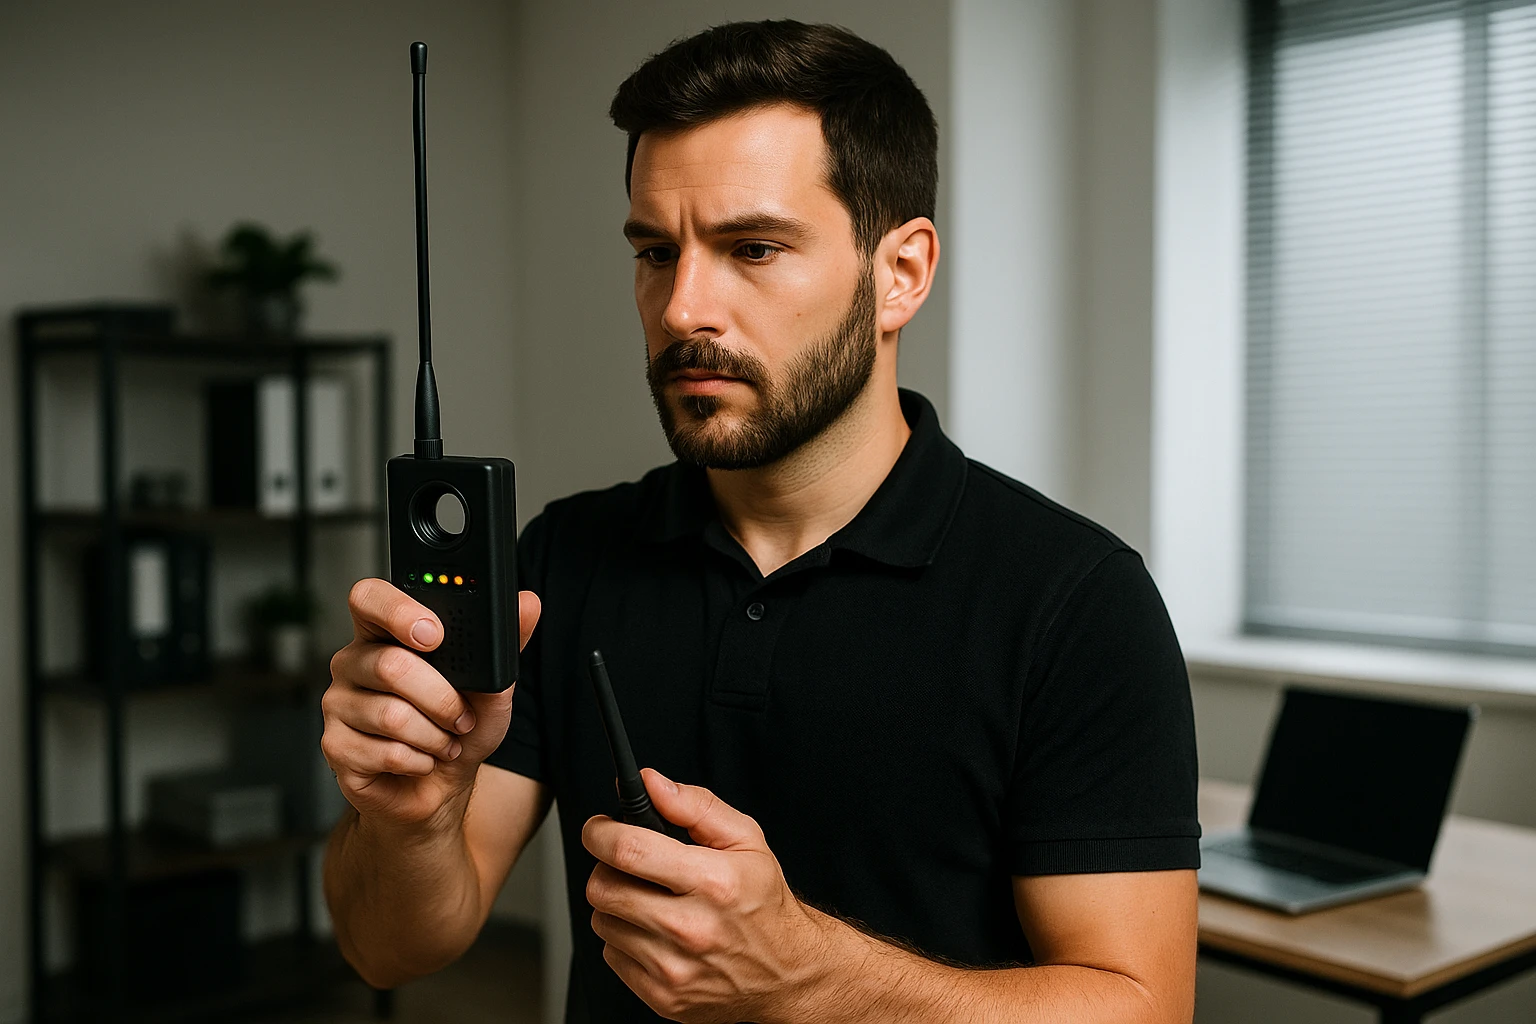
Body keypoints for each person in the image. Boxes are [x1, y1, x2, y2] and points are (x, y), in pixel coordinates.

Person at [322, 20, 1200, 1024]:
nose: (683, 304)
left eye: (753, 248)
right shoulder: (563, 560)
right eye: (656, 252)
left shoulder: (1075, 602)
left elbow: (1143, 1009)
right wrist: (410, 819)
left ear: (901, 273)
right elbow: (389, 946)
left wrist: (815, 977)